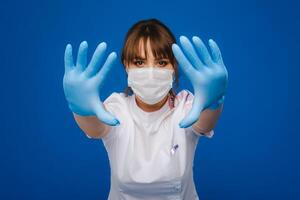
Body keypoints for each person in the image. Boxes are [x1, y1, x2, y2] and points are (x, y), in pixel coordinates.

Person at [63, 18, 228, 200]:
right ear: (126, 65)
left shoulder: (186, 106)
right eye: (140, 62)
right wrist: (81, 109)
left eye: (162, 62)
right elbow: (94, 128)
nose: (151, 72)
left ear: (174, 66)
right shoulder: (117, 107)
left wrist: (213, 102)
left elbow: (205, 123)